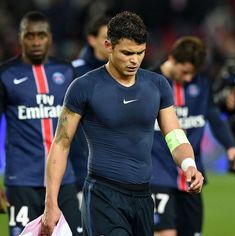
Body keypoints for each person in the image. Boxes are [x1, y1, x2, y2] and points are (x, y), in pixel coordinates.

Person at [41, 11, 204, 236]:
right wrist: (51, 203)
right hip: (103, 196)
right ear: (108, 45)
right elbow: (60, 144)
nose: (135, 60)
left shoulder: (157, 85)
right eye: (127, 53)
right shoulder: (84, 87)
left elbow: (174, 133)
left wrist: (188, 165)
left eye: (140, 52)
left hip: (143, 198)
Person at [0, 11, 82, 236]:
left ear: (50, 38)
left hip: (64, 179)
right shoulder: (5, 74)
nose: (36, 42)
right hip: (23, 181)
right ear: (20, 38)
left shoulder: (67, 71)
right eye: (30, 36)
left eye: (41, 35)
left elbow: (83, 127)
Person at [150, 36, 235, 236]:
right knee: (165, 232)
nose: (189, 78)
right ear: (172, 58)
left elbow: (213, 116)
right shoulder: (150, 81)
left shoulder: (202, 82)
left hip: (191, 176)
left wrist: (231, 146)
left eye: (193, 73)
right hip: (158, 172)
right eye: (184, 71)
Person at [70, 14, 110, 195]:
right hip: (83, 173)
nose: (111, 43)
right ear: (92, 40)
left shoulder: (127, 72)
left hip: (120, 174)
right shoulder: (73, 73)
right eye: (106, 38)